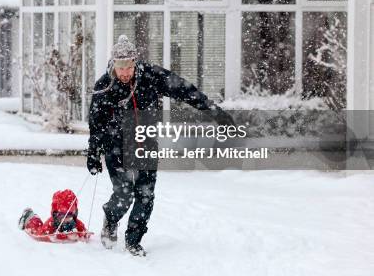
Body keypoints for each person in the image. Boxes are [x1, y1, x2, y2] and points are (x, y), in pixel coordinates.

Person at [87, 35, 234, 256]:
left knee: (145, 195)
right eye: (120, 67)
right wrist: (93, 152)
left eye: (129, 67)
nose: (125, 72)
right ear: (113, 65)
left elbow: (184, 89)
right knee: (124, 194)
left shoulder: (151, 76)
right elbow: (96, 123)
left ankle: (133, 241)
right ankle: (111, 218)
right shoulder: (104, 86)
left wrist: (214, 111)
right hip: (116, 146)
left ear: (135, 62)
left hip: (145, 142)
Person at [18, 189, 90, 243]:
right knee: (36, 229)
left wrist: (82, 235)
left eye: (69, 216)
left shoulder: (76, 222)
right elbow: (39, 236)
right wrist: (63, 236)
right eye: (62, 216)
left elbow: (85, 233)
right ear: (56, 215)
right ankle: (30, 216)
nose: (65, 219)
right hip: (38, 227)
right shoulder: (51, 224)